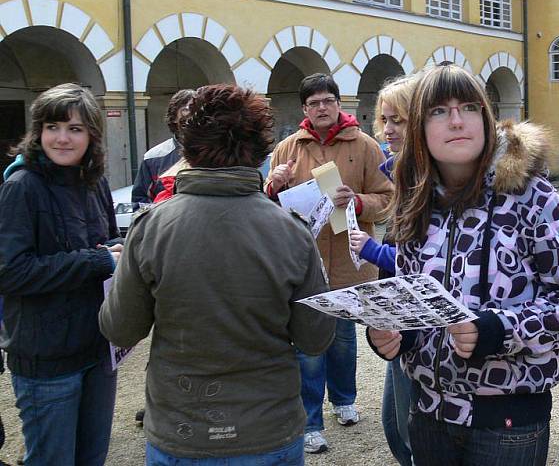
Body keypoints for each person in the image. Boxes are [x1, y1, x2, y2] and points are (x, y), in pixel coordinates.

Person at [367, 65, 559, 466]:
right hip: (428, 412)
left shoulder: (533, 197)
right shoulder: (414, 199)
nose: (457, 120)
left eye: (469, 107)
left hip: (506, 420)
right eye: (439, 111)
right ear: (420, 126)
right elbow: (413, 300)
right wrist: (396, 335)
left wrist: (497, 329)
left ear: (486, 119)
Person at [99, 84, 335, 465]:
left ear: (187, 148)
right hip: (267, 427)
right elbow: (315, 337)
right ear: (259, 150)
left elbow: (120, 329)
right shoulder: (291, 231)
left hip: (181, 428)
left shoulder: (151, 228)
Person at [266, 73, 393, 454]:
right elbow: (267, 208)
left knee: (341, 337)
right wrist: (273, 186)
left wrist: (356, 202)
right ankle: (310, 420)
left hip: (350, 260)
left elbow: (387, 198)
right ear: (304, 109)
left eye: (328, 101)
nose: (322, 108)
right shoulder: (288, 149)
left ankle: (344, 399)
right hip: (303, 260)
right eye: (313, 103)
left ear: (340, 104)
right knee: (306, 341)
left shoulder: (367, 146)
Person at [0, 83, 121, 466]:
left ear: (92, 136)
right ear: (37, 131)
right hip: (46, 356)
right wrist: (99, 261)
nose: (62, 138)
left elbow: (110, 240)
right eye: (53, 127)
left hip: (98, 347)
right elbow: (10, 272)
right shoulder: (22, 187)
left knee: (92, 457)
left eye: (75, 128)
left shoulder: (95, 181)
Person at [348, 75, 416, 466]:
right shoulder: (401, 172)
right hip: (397, 312)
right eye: (384, 119)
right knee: (395, 420)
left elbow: (430, 264)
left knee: (409, 424)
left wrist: (375, 250)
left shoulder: (425, 179)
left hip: (418, 317)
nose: (388, 129)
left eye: (398, 120)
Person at [131, 88, 196, 204]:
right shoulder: (154, 158)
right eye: (185, 110)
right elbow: (140, 201)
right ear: (174, 117)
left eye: (195, 111)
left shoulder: (214, 153)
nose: (190, 115)